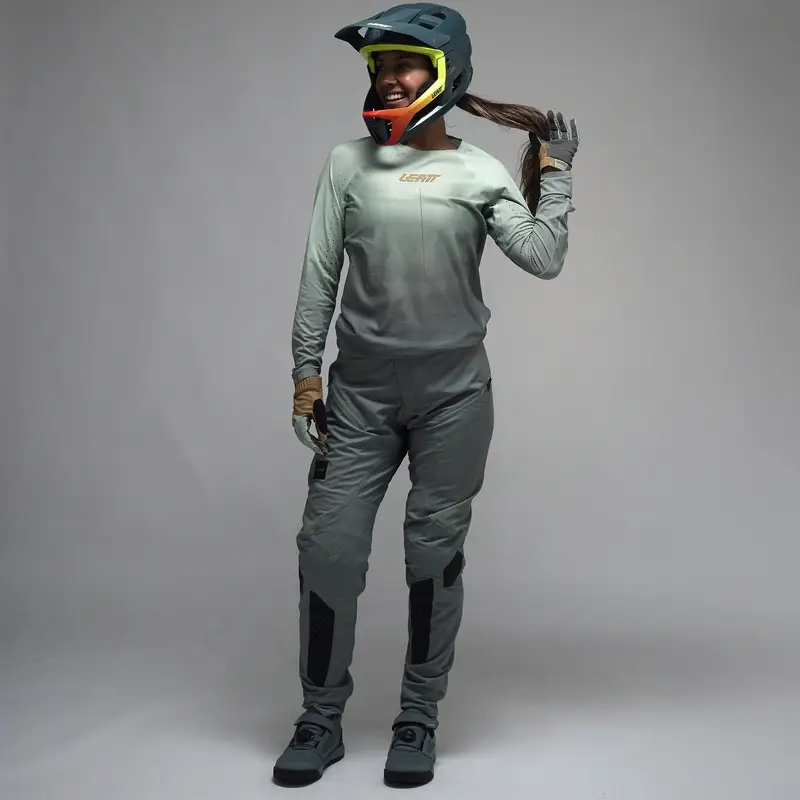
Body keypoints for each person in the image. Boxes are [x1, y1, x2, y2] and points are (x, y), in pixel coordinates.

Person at [273, 2, 579, 788]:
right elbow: (319, 274)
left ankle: (418, 717)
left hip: (454, 398)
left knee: (432, 557)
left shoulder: (477, 171)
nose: (388, 77)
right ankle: (320, 719)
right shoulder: (346, 164)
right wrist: (307, 374)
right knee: (328, 551)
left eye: (404, 64)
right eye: (380, 66)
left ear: (445, 73)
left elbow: (542, 258)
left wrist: (556, 176)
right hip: (361, 396)